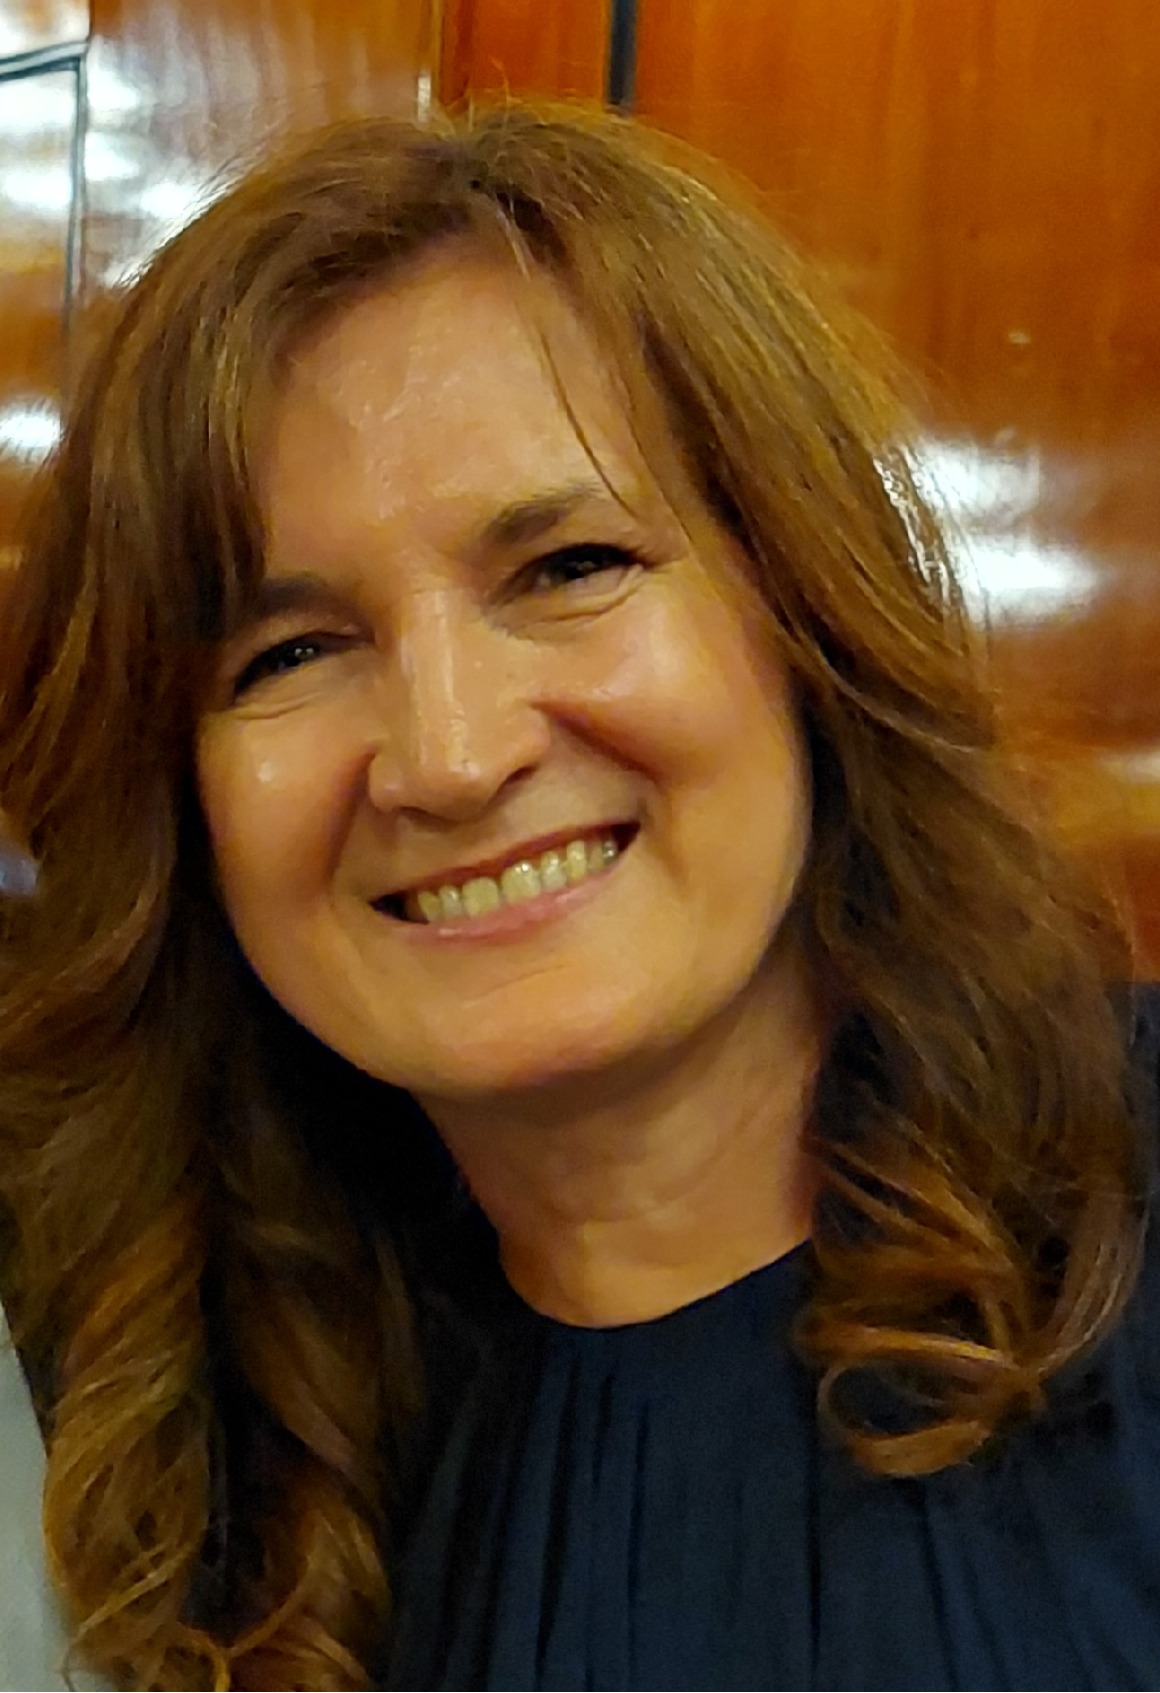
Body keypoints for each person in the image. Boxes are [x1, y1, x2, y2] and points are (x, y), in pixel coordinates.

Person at [0, 102, 1156, 1693]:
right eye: (291, 652)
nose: (451, 756)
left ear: (804, 612)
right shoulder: (171, 1441)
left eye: (569, 568)